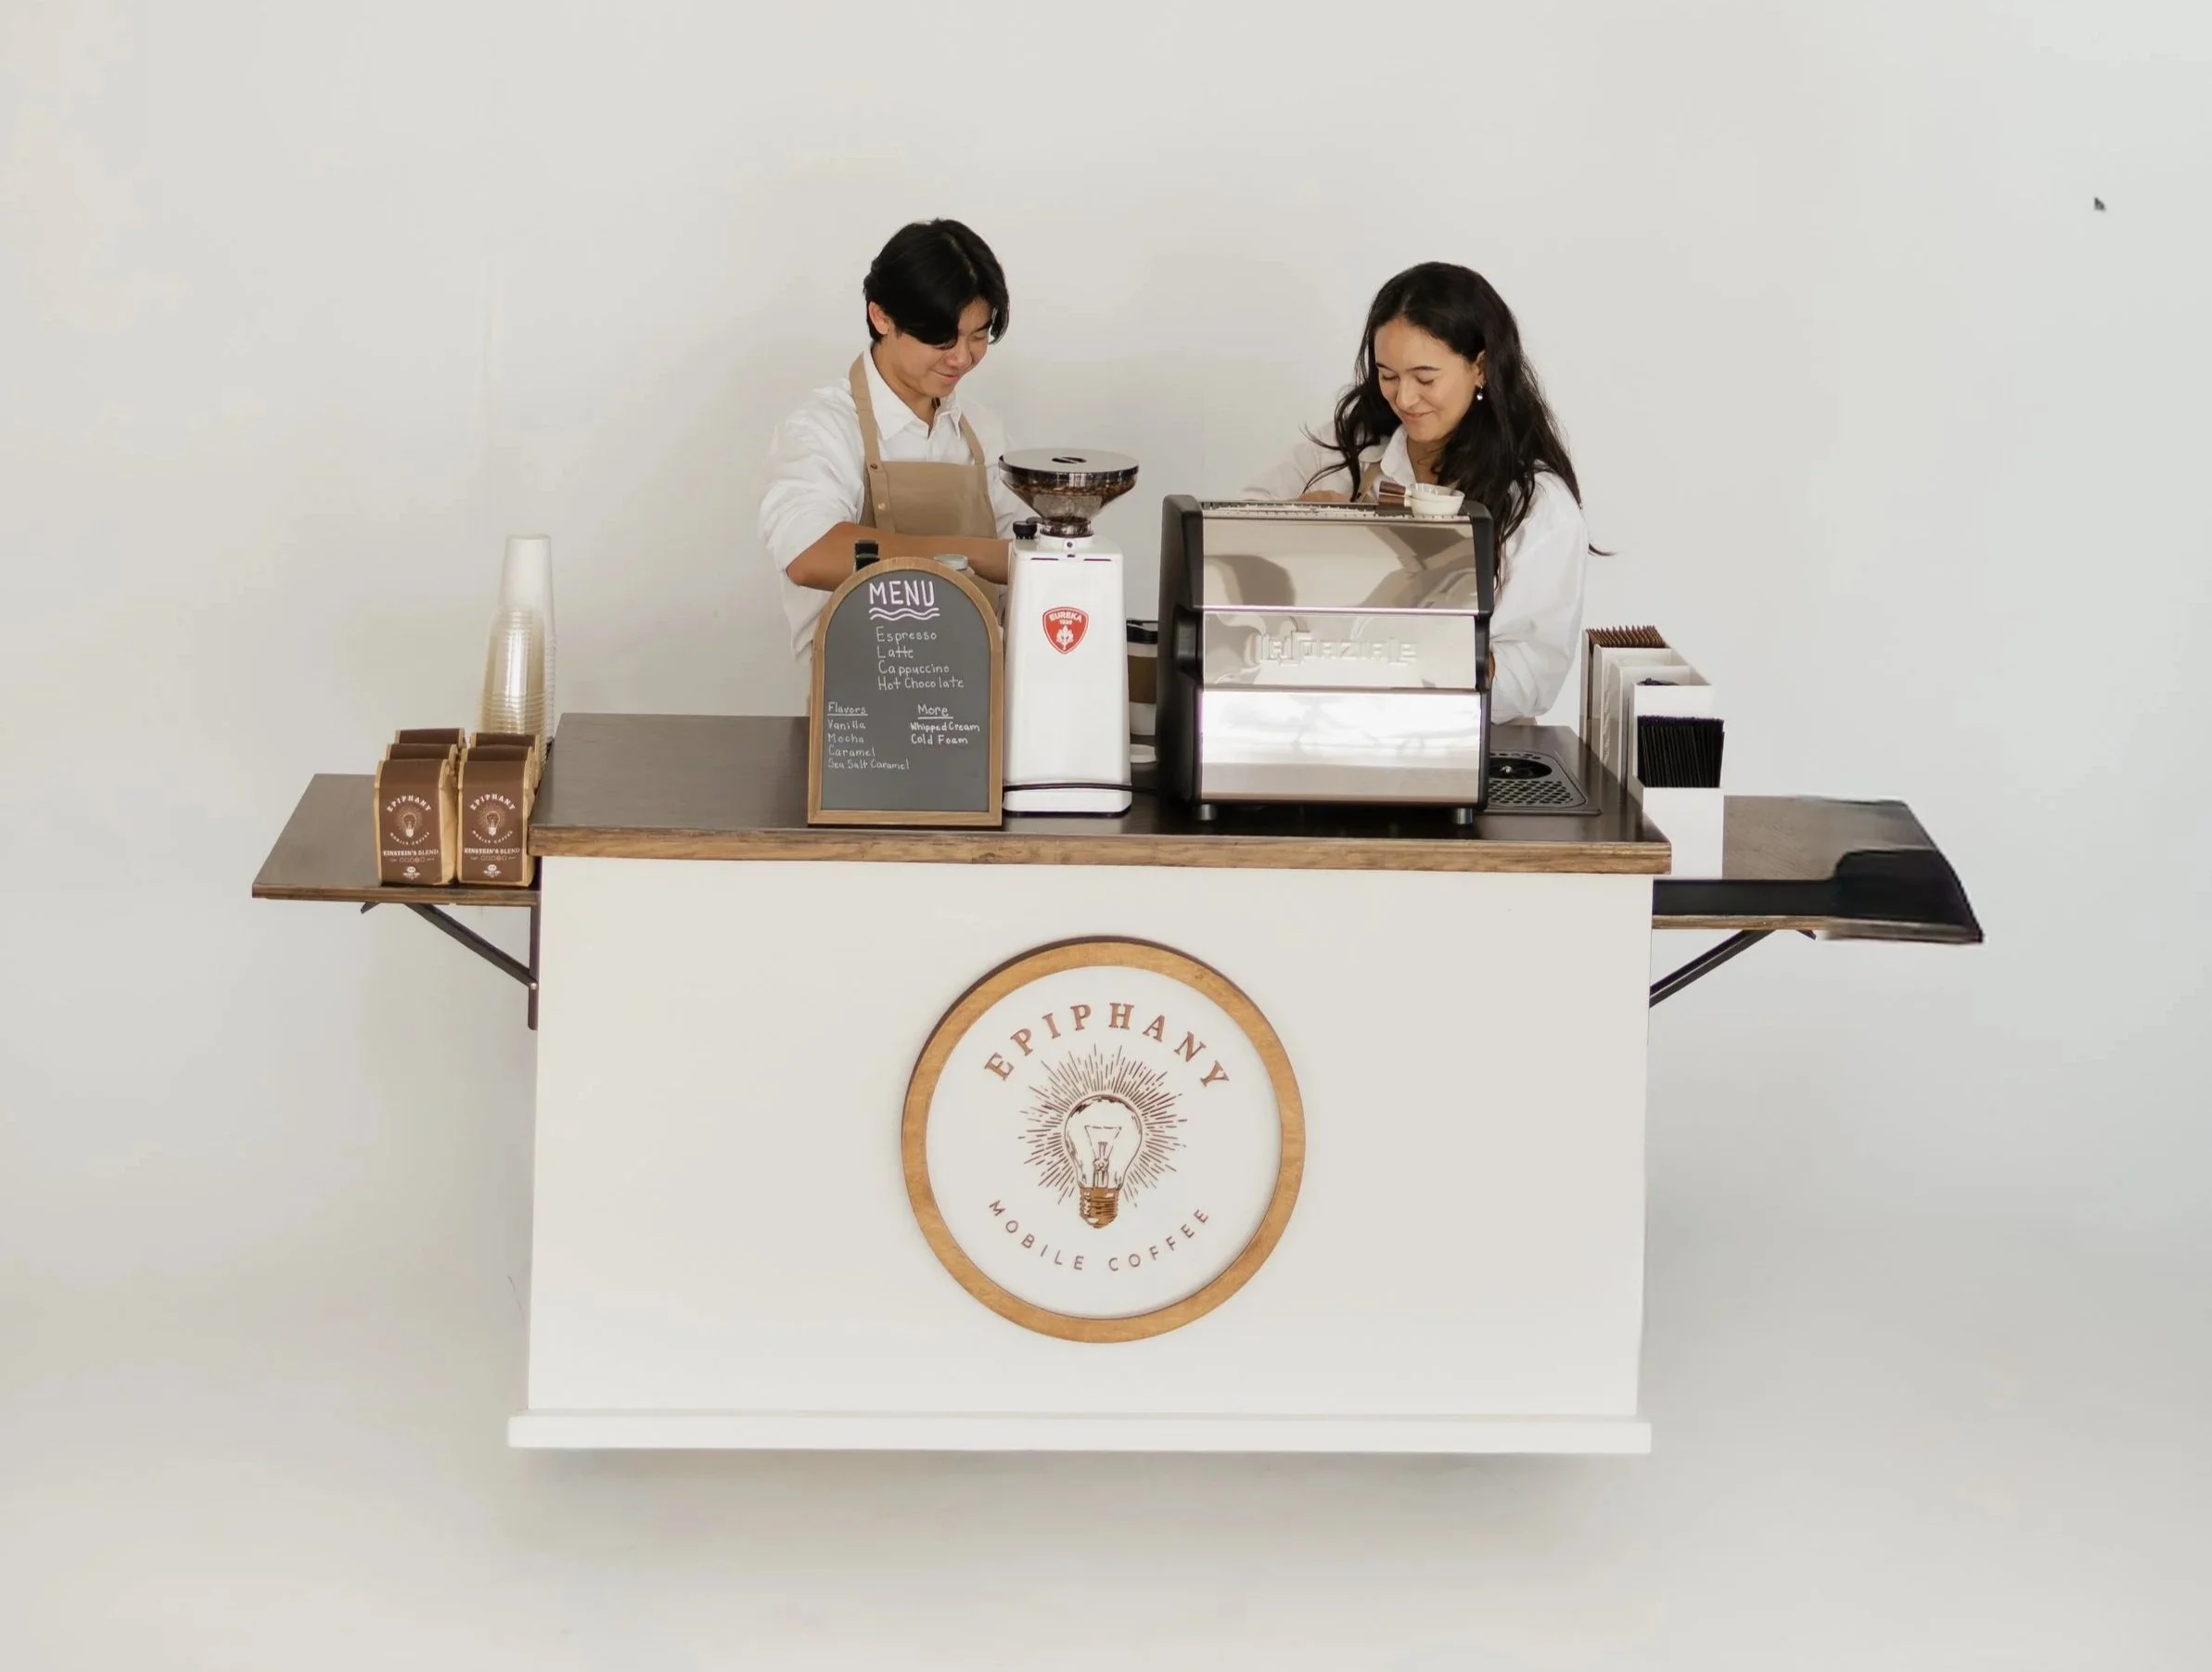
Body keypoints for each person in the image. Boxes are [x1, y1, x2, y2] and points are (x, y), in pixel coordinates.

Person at [1241, 262, 1593, 722]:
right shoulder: (1346, 451)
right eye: (1388, 375)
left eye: (1425, 378)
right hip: (1316, 724)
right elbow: (1234, 532)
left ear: (1481, 367)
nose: (1404, 398)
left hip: (1453, 744)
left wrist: (1435, 662)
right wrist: (1295, 522)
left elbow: (1535, 671)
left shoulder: (1537, 505)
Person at [759, 219, 1030, 660]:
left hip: (978, 694)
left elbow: (1026, 555)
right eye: (942, 338)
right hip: (857, 700)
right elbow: (810, 554)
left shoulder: (985, 431)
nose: (962, 357)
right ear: (881, 316)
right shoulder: (821, 428)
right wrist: (972, 556)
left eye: (978, 336)